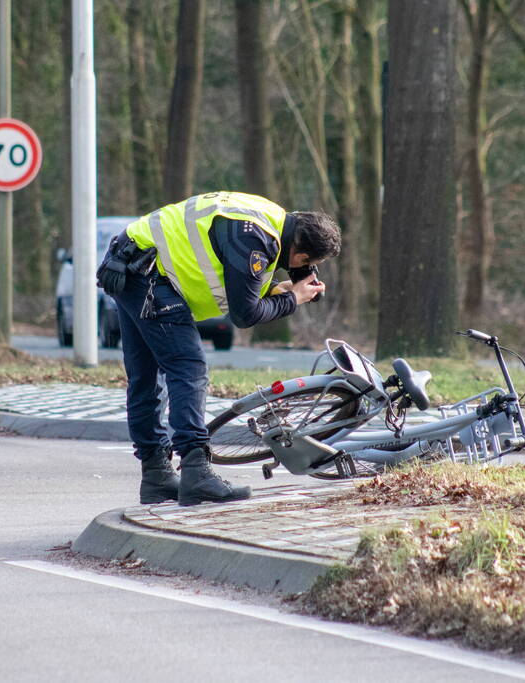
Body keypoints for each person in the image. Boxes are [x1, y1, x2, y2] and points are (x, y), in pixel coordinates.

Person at [97, 191, 342, 506]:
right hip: (148, 272)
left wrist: (271, 290)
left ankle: (156, 474)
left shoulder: (270, 219)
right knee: (188, 368)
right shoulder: (259, 240)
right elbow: (245, 315)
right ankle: (196, 470)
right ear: (300, 251)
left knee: (145, 377)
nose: (303, 270)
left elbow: (230, 270)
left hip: (132, 261)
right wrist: (292, 298)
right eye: (308, 263)